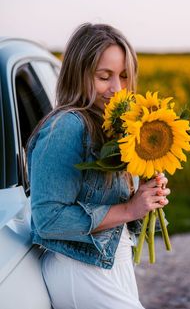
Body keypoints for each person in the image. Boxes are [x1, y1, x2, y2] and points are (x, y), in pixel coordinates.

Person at [27, 23, 171, 309]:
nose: (117, 89)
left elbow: (114, 207)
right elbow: (47, 219)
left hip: (110, 263)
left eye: (124, 77)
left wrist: (144, 197)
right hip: (80, 270)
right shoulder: (67, 126)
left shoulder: (111, 127)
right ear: (77, 75)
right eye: (104, 77)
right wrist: (129, 209)